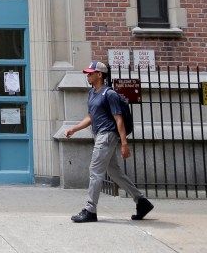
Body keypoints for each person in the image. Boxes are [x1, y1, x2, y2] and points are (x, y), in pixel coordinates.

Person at [64, 60, 154, 223]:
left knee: (95, 170)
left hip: (107, 135)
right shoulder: (92, 94)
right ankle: (142, 202)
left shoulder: (109, 94)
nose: (88, 76)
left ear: (100, 75)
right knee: (114, 172)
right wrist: (74, 129)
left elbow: (118, 119)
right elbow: (91, 117)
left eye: (90, 73)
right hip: (99, 135)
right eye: (87, 74)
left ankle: (90, 210)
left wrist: (124, 143)